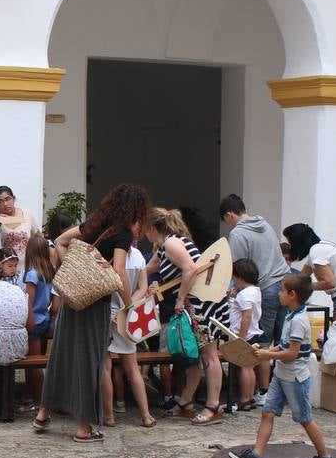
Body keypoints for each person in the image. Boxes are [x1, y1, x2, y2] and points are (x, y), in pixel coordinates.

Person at [35, 184, 150, 442]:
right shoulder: (121, 233)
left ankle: (43, 413)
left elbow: (61, 241)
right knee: (91, 362)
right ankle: (84, 428)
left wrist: (73, 270)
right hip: (95, 303)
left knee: (62, 356)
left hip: (72, 299)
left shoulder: (95, 224)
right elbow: (119, 271)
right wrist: (129, 305)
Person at [229, 274, 335, 458]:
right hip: (281, 374)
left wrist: (267, 354)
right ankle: (257, 454)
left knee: (304, 418)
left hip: (294, 377)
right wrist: (266, 350)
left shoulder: (299, 320)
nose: (279, 295)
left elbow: (293, 353)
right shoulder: (291, 315)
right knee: (268, 412)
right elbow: (284, 345)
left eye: (282, 291)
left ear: (292, 294)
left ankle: (325, 457)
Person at [148, 206, 230, 426]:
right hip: (194, 306)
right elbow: (147, 269)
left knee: (208, 356)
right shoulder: (165, 247)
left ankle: (213, 406)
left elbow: (190, 269)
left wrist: (179, 298)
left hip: (201, 306)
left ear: (153, 228)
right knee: (192, 356)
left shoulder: (171, 243)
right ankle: (186, 402)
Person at [219, 195, 290, 396]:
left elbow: (238, 267)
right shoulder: (265, 224)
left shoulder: (238, 234)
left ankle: (264, 392)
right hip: (284, 284)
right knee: (282, 339)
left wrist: (232, 288)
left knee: (263, 344)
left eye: (227, 220)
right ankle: (283, 388)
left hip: (265, 289)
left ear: (229, 215)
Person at [102, 227, 156, 429]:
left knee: (104, 368)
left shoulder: (107, 256)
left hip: (107, 313)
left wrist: (119, 309)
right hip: (128, 315)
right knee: (133, 368)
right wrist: (128, 308)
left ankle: (108, 416)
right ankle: (146, 415)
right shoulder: (139, 256)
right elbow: (143, 287)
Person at [282, 224, 336, 322]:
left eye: (291, 243)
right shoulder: (321, 247)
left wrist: (305, 287)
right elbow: (301, 277)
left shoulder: (316, 252)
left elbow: (330, 282)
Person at [21, 231, 57, 414]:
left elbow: (28, 301)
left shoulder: (32, 275)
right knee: (33, 362)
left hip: (33, 321)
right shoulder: (48, 272)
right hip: (44, 318)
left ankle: (39, 400)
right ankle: (30, 396)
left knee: (33, 364)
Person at [228, 259, 264, 408]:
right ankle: (250, 397)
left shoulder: (244, 295)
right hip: (253, 332)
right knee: (249, 366)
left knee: (244, 366)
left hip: (244, 335)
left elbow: (246, 316)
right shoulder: (255, 291)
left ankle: (245, 397)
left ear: (240, 277)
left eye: (234, 278)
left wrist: (240, 338)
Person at [0, 186, 39, 283]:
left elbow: (38, 238)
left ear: (14, 198)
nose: (5, 204)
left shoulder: (27, 215)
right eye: (1, 201)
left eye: (8, 199)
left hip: (26, 269)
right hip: (4, 273)